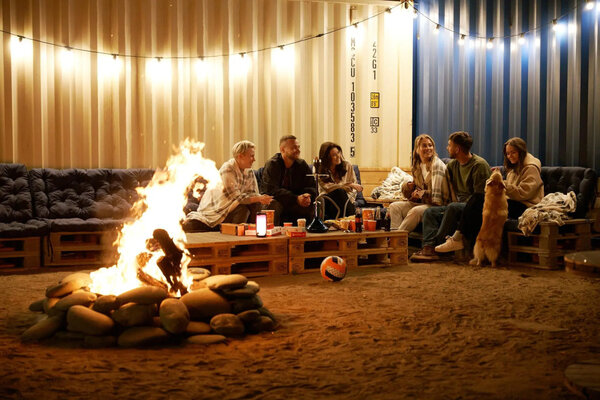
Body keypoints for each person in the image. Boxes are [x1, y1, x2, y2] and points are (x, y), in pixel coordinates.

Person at [411, 131, 491, 261]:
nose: (447, 148)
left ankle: (437, 247)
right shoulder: (453, 165)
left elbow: (480, 197)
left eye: (449, 145)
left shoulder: (479, 165)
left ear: (457, 149)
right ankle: (428, 248)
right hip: (457, 204)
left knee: (453, 207)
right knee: (430, 212)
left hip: (474, 206)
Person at [184, 140, 272, 231]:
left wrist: (262, 199)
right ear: (240, 156)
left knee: (257, 204)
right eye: (251, 156)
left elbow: (252, 193)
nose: (254, 159)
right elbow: (236, 197)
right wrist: (258, 198)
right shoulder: (228, 169)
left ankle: (256, 233)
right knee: (242, 209)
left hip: (233, 206)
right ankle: (234, 235)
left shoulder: (248, 170)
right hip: (218, 209)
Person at [387, 134, 450, 232]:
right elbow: (412, 192)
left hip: (438, 206)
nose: (428, 148)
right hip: (423, 203)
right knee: (394, 206)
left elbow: (437, 198)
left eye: (430, 145)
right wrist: (410, 188)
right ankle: (396, 235)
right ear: (417, 149)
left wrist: (422, 194)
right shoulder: (417, 166)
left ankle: (397, 238)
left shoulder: (437, 166)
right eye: (424, 145)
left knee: (415, 211)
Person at [261, 135, 317, 226]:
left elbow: (312, 185)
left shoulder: (302, 164)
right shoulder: (272, 164)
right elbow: (271, 190)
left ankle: (315, 233)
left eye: (298, 147)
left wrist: (307, 195)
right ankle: (272, 234)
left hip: (297, 201)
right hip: (281, 201)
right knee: (273, 204)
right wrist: (295, 198)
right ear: (282, 150)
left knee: (319, 201)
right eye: (293, 148)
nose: (298, 150)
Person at [317, 142, 363, 220]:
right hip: (327, 200)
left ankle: (343, 221)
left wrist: (348, 197)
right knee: (339, 192)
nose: (338, 156)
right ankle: (351, 220)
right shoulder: (319, 169)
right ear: (327, 158)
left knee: (341, 194)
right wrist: (348, 185)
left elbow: (354, 189)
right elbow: (328, 188)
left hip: (346, 200)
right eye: (334, 155)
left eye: (338, 152)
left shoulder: (347, 165)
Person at [501, 137, 544, 218]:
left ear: (521, 152)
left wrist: (503, 185)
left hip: (528, 206)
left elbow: (523, 193)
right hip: (515, 202)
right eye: (507, 153)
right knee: (485, 200)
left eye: (513, 152)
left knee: (499, 205)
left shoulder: (531, 168)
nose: (510, 156)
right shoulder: (514, 167)